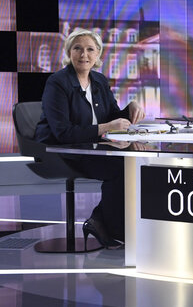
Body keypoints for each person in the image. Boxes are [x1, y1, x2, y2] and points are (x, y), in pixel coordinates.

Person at [35, 28, 145, 248]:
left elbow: (112, 115)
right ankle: (112, 230)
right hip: (60, 152)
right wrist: (105, 127)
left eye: (89, 49)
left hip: (89, 148)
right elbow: (63, 133)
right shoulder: (57, 82)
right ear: (69, 52)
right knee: (119, 168)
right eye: (77, 48)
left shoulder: (99, 80)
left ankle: (102, 221)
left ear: (98, 56)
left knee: (134, 162)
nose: (83, 54)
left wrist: (129, 108)